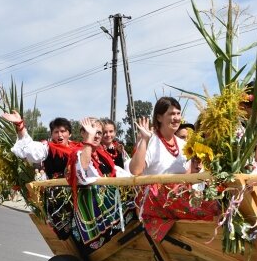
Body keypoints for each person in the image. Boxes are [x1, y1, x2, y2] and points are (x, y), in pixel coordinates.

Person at [129, 97, 218, 241]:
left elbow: (187, 176)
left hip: (177, 194)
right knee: (204, 209)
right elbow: (135, 170)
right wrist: (144, 140)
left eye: (178, 113)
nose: (176, 118)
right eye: (171, 114)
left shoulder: (183, 144)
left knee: (215, 203)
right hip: (155, 197)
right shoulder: (151, 141)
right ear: (159, 117)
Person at [4, 111, 80, 239]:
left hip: (80, 195)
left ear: (69, 133)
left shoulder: (78, 149)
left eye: (63, 131)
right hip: (59, 198)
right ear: (52, 134)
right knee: (67, 232)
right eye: (56, 132)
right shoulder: (47, 148)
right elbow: (29, 148)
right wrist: (20, 126)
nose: (60, 135)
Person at [68, 117, 133, 250]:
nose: (96, 135)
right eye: (91, 131)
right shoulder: (78, 152)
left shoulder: (102, 154)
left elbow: (118, 172)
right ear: (82, 133)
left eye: (98, 132)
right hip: (91, 202)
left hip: (109, 198)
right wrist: (89, 140)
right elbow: (83, 171)